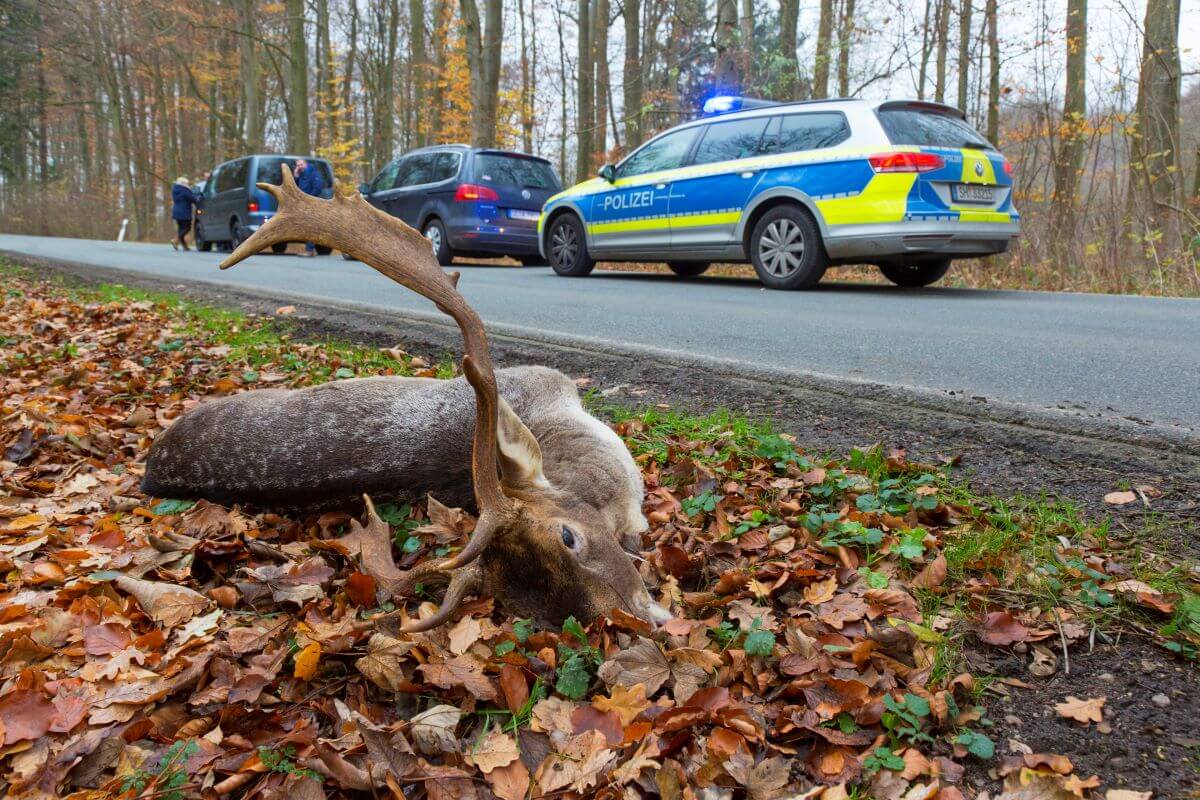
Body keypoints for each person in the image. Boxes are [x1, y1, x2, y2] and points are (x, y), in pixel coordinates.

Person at [293, 158, 327, 256]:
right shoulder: (301, 174)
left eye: (301, 164)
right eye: (298, 165)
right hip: (303, 204)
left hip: (311, 203)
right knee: (308, 226)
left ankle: (309, 250)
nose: (299, 167)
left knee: (310, 226)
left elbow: (318, 187)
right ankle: (309, 249)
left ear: (306, 164)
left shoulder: (313, 173)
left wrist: (309, 199)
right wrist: (296, 176)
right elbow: (296, 188)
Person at [170, 176, 199, 251]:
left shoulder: (175, 190)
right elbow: (192, 199)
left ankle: (184, 246)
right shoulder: (185, 190)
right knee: (187, 228)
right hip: (184, 212)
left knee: (181, 228)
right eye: (186, 183)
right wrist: (197, 199)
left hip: (176, 211)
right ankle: (176, 240)